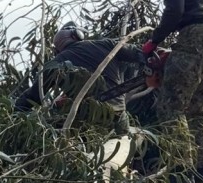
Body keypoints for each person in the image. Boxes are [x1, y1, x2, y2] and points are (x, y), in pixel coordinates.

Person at [141, 0, 203, 183]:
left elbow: (174, 10)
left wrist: (154, 41)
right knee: (198, 110)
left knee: (170, 107)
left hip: (194, 35)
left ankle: (180, 173)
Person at [15, 22, 145, 134]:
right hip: (118, 114)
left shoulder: (55, 64)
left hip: (86, 119)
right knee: (124, 136)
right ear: (76, 35)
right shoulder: (105, 44)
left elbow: (32, 96)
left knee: (55, 117)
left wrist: (15, 114)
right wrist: (153, 58)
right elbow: (138, 53)